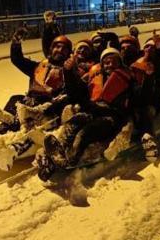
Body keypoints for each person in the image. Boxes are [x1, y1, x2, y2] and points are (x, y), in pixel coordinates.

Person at [37, 47, 136, 180]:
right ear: (101, 65)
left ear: (120, 63)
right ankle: (58, 151)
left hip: (111, 118)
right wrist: (68, 72)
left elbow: (139, 98)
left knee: (84, 134)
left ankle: (70, 160)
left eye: (114, 62)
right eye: (106, 62)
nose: (110, 65)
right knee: (73, 122)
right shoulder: (95, 78)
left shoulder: (128, 80)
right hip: (92, 111)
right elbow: (75, 92)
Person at [0, 31, 82, 134]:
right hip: (29, 101)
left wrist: (69, 71)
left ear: (68, 53)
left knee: (30, 111)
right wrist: (16, 43)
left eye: (64, 49)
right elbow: (18, 60)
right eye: (57, 47)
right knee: (15, 99)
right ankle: (6, 123)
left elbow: (71, 90)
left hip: (46, 107)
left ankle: (10, 124)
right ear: (52, 49)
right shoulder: (38, 66)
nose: (60, 50)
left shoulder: (67, 70)